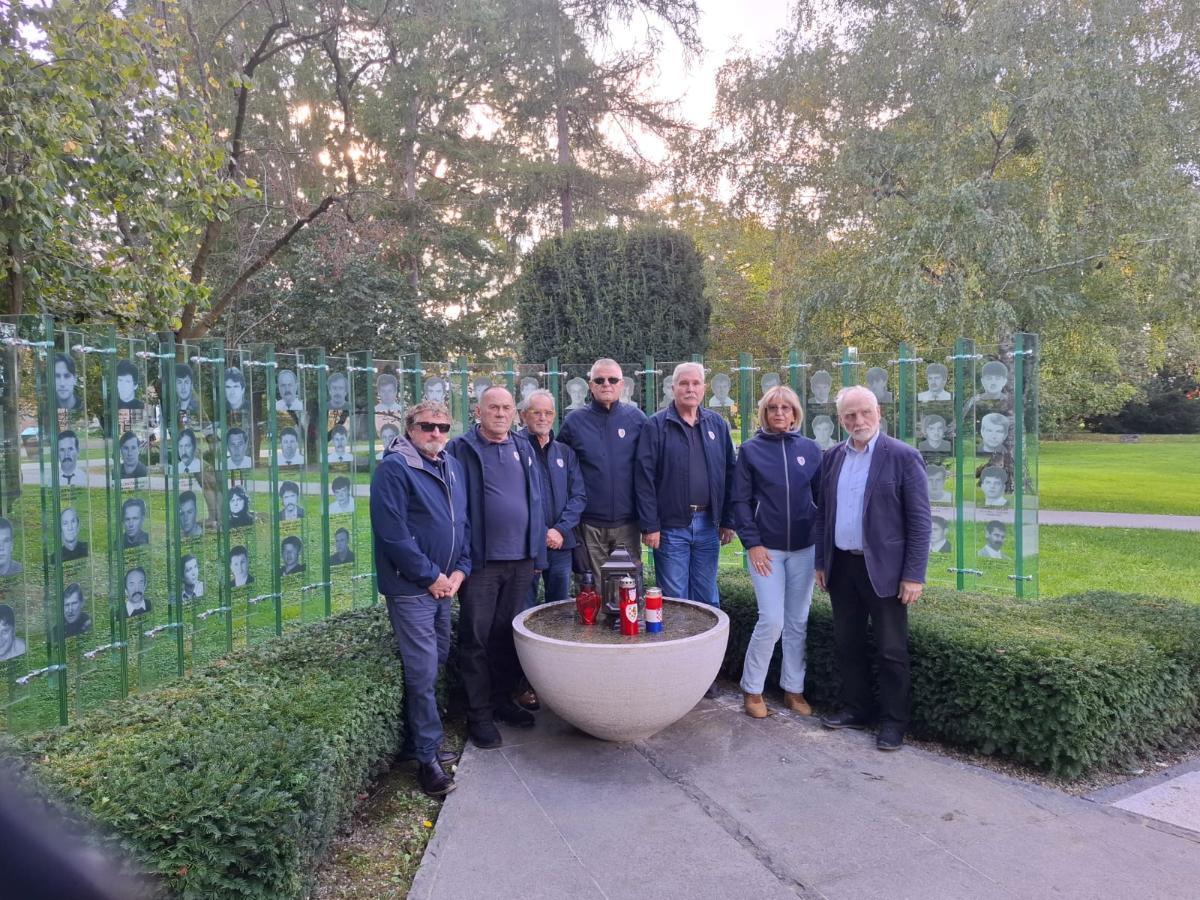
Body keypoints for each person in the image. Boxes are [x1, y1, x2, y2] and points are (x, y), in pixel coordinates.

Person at [813, 385, 931, 752]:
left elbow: (920, 522)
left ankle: (894, 722)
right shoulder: (833, 457)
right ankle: (856, 709)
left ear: (879, 412)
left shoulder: (903, 456)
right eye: (850, 415)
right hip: (842, 567)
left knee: (891, 650)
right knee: (848, 644)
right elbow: (823, 514)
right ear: (841, 419)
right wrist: (822, 561)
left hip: (886, 571)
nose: (858, 420)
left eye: (865, 412)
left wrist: (913, 574)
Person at [371, 398, 471, 797]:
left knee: (438, 659)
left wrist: (461, 570)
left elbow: (461, 524)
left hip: (445, 586)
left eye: (443, 427)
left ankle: (421, 741)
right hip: (412, 588)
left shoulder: (450, 465)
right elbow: (393, 534)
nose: (436, 434)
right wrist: (431, 577)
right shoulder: (394, 469)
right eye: (427, 426)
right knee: (423, 671)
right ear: (410, 428)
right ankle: (426, 759)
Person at [448, 386, 547, 749]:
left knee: (506, 635)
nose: (501, 413)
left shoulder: (523, 447)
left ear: (514, 413)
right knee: (476, 638)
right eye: (493, 407)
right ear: (479, 411)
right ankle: (479, 715)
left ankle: (503, 700)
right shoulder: (460, 448)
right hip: (481, 563)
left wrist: (538, 555)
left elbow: (536, 499)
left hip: (521, 561)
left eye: (507, 407)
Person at [731, 385, 822, 719]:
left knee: (797, 621)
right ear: (764, 413)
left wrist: (820, 547)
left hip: (804, 549)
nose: (779, 413)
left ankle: (793, 689)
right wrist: (752, 544)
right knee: (771, 619)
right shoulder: (750, 450)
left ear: (795, 413)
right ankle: (753, 689)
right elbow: (740, 501)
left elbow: (822, 501)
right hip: (766, 550)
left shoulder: (811, 449)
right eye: (773, 408)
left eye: (786, 408)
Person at [635, 362, 736, 610]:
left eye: (695, 383)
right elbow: (644, 479)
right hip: (671, 527)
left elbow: (730, 473)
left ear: (703, 388)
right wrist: (650, 525)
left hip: (708, 526)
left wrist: (728, 519)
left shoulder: (717, 425)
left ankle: (708, 639)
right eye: (684, 383)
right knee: (674, 600)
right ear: (673, 388)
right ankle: (676, 638)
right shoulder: (656, 425)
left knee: (707, 598)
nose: (690, 388)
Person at [557, 358, 648, 586]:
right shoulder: (574, 422)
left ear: (621, 384)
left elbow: (648, 471)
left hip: (627, 524)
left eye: (613, 380)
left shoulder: (637, 420)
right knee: (593, 592)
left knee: (627, 591)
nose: (606, 384)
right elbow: (561, 471)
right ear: (591, 385)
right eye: (599, 380)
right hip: (589, 525)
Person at [518, 389, 586, 613]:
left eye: (548, 413)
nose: (542, 418)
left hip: (561, 543)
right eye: (536, 412)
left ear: (554, 416)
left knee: (559, 609)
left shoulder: (565, 453)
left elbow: (578, 496)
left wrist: (559, 529)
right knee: (524, 608)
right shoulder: (515, 449)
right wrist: (541, 533)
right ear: (523, 415)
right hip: (527, 545)